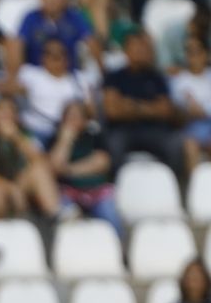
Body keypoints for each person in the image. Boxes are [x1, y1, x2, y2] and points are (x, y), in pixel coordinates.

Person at [102, 30, 186, 174]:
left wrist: (132, 107)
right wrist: (150, 109)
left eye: (144, 47)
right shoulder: (114, 76)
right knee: (114, 144)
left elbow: (165, 110)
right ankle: (115, 188)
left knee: (174, 144)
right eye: (137, 46)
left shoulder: (156, 77)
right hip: (123, 129)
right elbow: (113, 111)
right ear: (126, 50)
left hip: (154, 130)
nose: (142, 51)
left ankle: (172, 185)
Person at [0, 94, 60, 222]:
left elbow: (43, 163)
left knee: (39, 171)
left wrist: (16, 138)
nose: (6, 114)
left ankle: (55, 219)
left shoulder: (25, 135)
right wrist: (11, 189)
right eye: (2, 110)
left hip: (22, 186)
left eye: (10, 110)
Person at [48, 100, 122, 234]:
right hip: (69, 192)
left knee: (110, 215)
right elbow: (54, 168)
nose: (72, 120)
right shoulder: (56, 139)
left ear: (85, 120)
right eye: (69, 117)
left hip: (97, 191)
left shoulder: (94, 136)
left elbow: (102, 162)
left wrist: (68, 170)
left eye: (77, 116)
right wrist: (65, 141)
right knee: (64, 216)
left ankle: (120, 249)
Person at [170, 35, 211, 170]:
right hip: (189, 128)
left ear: (206, 54)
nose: (193, 56)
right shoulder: (178, 80)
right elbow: (175, 113)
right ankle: (194, 188)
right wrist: (188, 113)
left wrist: (203, 111)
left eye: (197, 51)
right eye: (189, 51)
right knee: (190, 146)